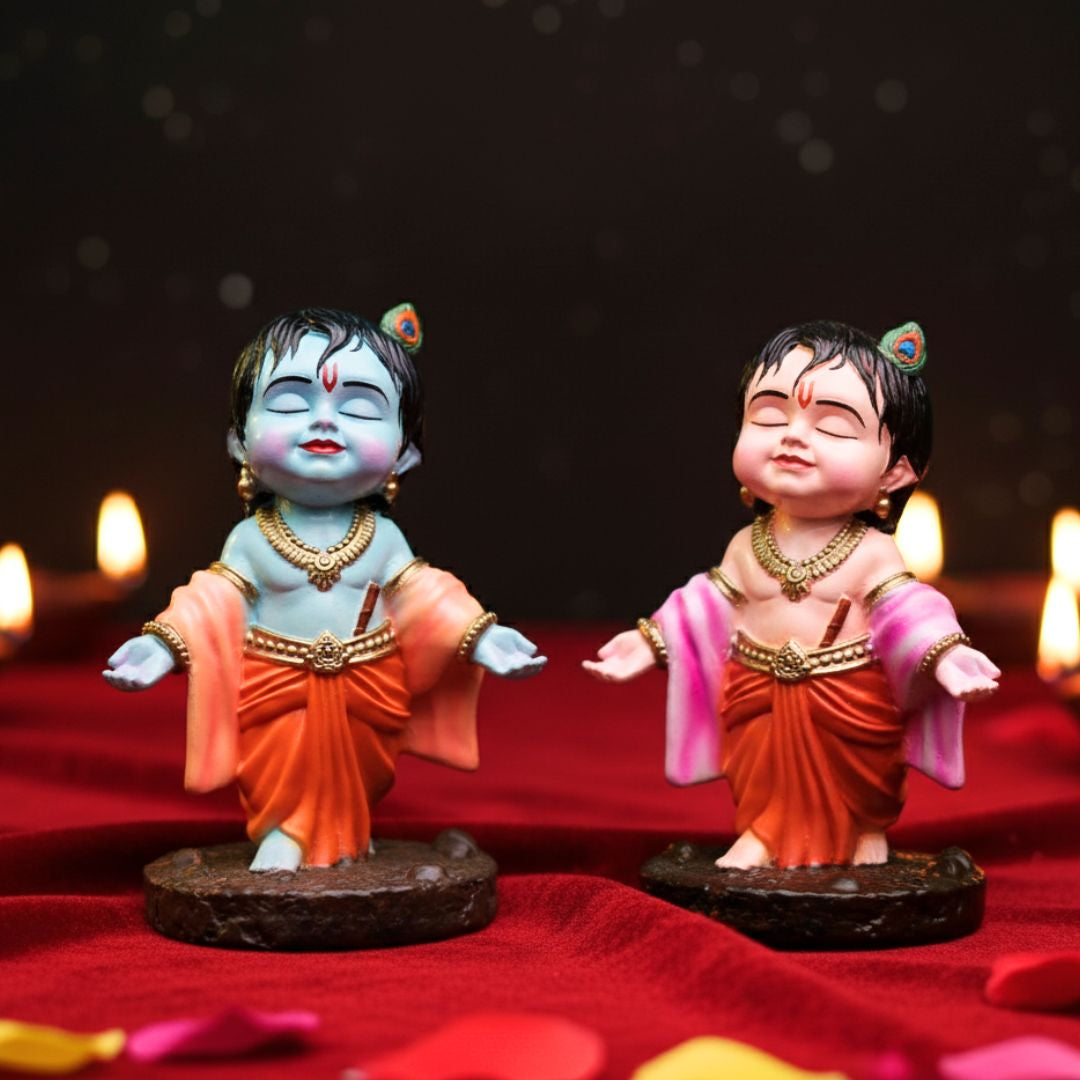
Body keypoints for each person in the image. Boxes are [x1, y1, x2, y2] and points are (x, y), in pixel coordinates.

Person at [105, 304, 545, 872]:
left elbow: (424, 596)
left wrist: (480, 635)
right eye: (290, 403)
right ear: (239, 442)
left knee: (357, 773)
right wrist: (163, 644)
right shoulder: (252, 538)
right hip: (276, 684)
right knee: (276, 766)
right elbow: (214, 600)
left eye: (359, 409)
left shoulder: (382, 538)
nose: (324, 422)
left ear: (405, 452)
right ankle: (282, 832)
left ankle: (345, 836)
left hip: (366, 684)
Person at [584, 320, 999, 870]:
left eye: (833, 426)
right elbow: (707, 602)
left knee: (862, 767)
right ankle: (763, 831)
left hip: (846, 692)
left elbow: (907, 610)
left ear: (897, 472)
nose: (793, 436)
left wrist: (945, 654)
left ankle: (864, 826)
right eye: (770, 416)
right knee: (760, 764)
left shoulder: (872, 551)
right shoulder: (746, 544)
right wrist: (649, 641)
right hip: (757, 684)